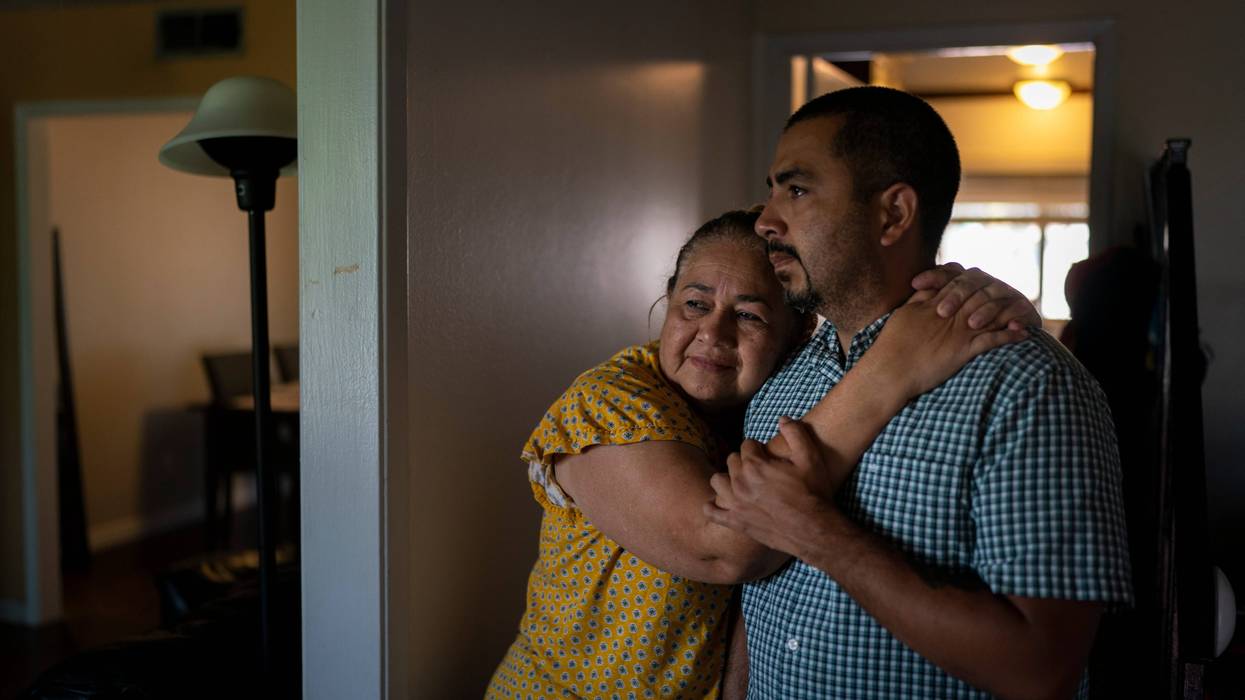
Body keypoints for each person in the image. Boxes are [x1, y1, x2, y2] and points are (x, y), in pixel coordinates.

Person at [485, 206, 1038, 699]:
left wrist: (975, 308)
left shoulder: (786, 395)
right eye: (694, 304)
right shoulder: (609, 403)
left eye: (749, 315)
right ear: (666, 303)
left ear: (799, 336)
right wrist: (894, 368)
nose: (713, 334)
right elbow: (723, 548)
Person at [705, 86, 1134, 699]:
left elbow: (1041, 669)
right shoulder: (779, 381)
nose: (766, 220)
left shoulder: (1028, 386)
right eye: (772, 190)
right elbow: (761, 601)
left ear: (894, 214)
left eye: (796, 190)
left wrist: (818, 534)